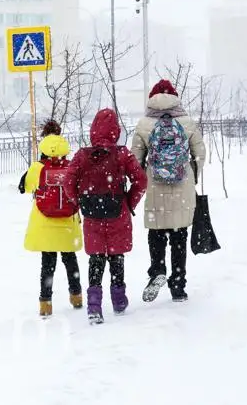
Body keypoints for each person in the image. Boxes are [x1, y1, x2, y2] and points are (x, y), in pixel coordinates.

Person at [65, 108, 147, 324]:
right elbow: (141, 180)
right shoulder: (122, 154)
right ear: (115, 132)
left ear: (93, 130)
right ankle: (119, 300)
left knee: (96, 259)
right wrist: (129, 202)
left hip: (92, 215)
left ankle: (94, 306)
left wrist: (79, 202)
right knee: (117, 257)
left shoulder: (82, 155)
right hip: (117, 213)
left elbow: (68, 183)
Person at [131, 79, 206, 303]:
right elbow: (200, 153)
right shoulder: (187, 122)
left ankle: (157, 271)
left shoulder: (144, 124)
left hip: (156, 187)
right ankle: (178, 285)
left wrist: (146, 177)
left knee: (156, 233)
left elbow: (135, 160)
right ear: (175, 97)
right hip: (182, 189)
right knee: (179, 236)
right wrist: (191, 174)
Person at [22, 133, 83, 317]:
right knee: (70, 261)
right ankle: (76, 296)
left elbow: (26, 187)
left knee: (47, 265)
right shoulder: (72, 166)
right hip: (67, 226)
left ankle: (46, 303)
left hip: (45, 225)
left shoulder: (38, 168)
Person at [19, 119, 63, 194]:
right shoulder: (70, 165)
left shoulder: (38, 166)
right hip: (65, 205)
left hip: (43, 204)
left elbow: (27, 187)